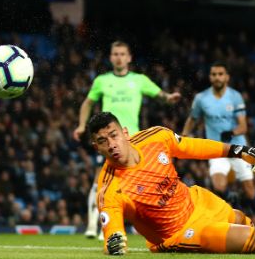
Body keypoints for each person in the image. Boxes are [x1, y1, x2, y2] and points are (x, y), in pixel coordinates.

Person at [87, 111, 255, 255]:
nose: (112, 144)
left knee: (239, 218)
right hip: (176, 234)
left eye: (114, 135)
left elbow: (193, 147)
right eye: (103, 141)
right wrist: (113, 243)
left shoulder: (156, 137)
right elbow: (112, 232)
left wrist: (238, 151)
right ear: (97, 148)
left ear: (125, 133)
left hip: (196, 202)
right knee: (248, 238)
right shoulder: (110, 188)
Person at [72, 41, 182, 238]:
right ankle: (92, 225)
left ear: (129, 57)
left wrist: (168, 98)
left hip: (134, 139)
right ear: (111, 57)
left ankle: (134, 223)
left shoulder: (139, 80)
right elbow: (87, 103)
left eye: (123, 54)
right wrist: (81, 125)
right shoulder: (102, 81)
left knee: (137, 183)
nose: (119, 57)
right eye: (115, 54)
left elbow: (159, 94)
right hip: (108, 140)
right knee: (101, 180)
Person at [181, 62, 255, 227]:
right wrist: (183, 137)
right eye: (214, 74)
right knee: (218, 185)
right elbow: (192, 119)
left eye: (221, 74)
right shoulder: (201, 98)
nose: (217, 77)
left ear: (227, 77)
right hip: (217, 150)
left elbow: (243, 126)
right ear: (210, 77)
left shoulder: (235, 97)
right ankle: (233, 200)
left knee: (249, 189)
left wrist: (232, 132)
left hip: (238, 149)